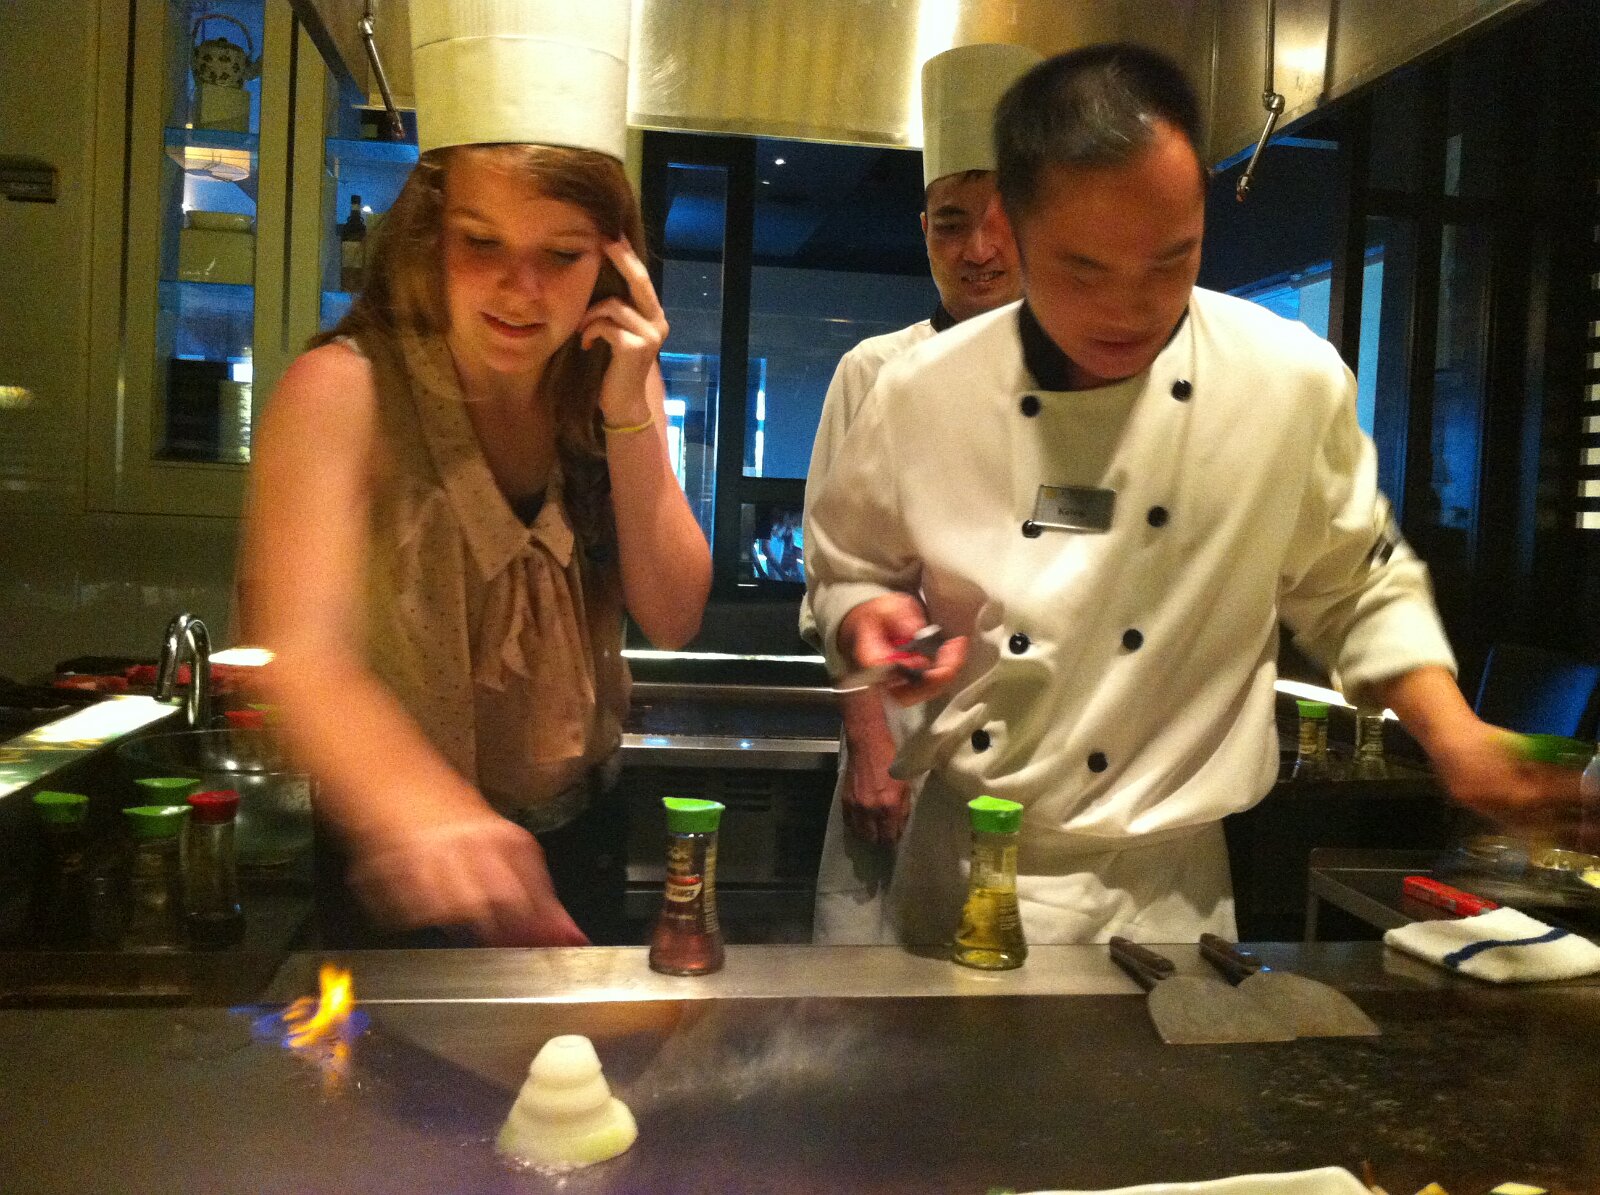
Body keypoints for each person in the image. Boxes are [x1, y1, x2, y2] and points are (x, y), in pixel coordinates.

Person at [804, 43, 1578, 946]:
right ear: (1015, 227)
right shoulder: (921, 390)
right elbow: (849, 567)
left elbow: (1356, 582)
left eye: (1170, 261)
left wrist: (1457, 738)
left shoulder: (1286, 382)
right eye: (1086, 269)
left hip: (1171, 890)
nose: (1132, 307)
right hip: (968, 865)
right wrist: (871, 621)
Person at [237, 2, 710, 948]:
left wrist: (629, 405)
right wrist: (431, 816)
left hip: (583, 837)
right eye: (481, 242)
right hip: (403, 857)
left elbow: (673, 612)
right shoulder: (344, 390)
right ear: (429, 234)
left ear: (612, 261)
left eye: (560, 255)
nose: (519, 290)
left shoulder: (614, 379)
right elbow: (301, 652)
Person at [802, 43, 1040, 944]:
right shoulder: (874, 370)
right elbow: (836, 580)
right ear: (924, 231)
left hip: (1033, 763)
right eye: (951, 224)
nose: (979, 250)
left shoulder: (1086, 378)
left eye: (1003, 220)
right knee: (875, 984)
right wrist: (870, 742)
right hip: (902, 744)